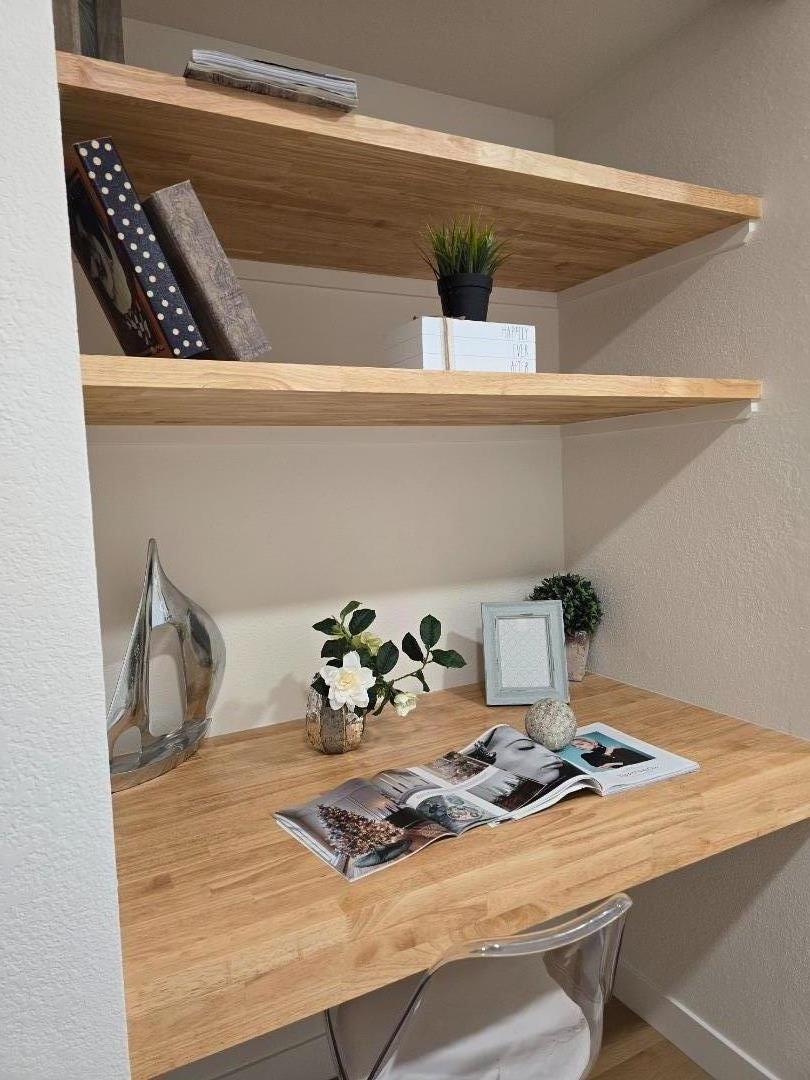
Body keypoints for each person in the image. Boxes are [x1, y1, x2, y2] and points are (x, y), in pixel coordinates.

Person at [571, 736, 651, 769]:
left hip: (627, 757)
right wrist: (609, 752)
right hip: (625, 767)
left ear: (590, 742)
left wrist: (609, 752)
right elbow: (601, 765)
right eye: (575, 746)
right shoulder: (586, 755)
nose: (578, 747)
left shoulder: (618, 749)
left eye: (580, 744)